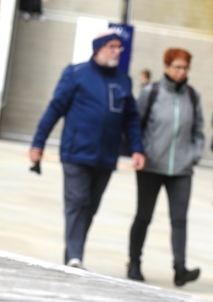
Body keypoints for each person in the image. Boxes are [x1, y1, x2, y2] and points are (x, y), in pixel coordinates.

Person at [29, 33, 145, 269]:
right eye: (111, 47)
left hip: (106, 157)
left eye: (119, 48)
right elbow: (55, 109)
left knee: (90, 207)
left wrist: (136, 149)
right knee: (78, 201)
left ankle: (74, 252)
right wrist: (38, 143)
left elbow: (131, 119)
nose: (116, 51)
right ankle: (75, 257)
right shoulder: (76, 74)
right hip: (76, 152)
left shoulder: (123, 81)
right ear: (98, 49)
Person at [127, 48, 203, 287]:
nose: (181, 72)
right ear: (166, 67)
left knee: (179, 219)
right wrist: (140, 150)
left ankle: (180, 268)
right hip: (151, 165)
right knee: (144, 216)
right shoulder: (152, 92)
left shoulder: (192, 95)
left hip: (181, 169)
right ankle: (134, 262)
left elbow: (199, 129)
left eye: (185, 67)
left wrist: (194, 155)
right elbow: (135, 125)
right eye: (177, 67)